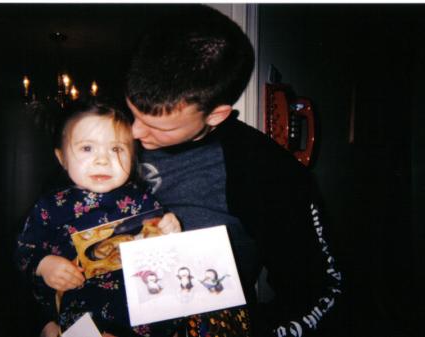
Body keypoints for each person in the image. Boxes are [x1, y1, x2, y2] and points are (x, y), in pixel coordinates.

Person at [124, 5, 342, 337]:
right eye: (132, 112)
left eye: (159, 127)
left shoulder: (266, 172)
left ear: (216, 115)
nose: (134, 133)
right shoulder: (101, 131)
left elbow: (321, 292)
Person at [15, 99, 181, 337]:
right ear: (61, 158)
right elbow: (23, 250)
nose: (102, 160)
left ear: (133, 156)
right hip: (79, 312)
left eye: (116, 149)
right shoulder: (50, 206)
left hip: (142, 309)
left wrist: (170, 228)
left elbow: (164, 249)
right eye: (87, 148)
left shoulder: (141, 200)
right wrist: (44, 264)